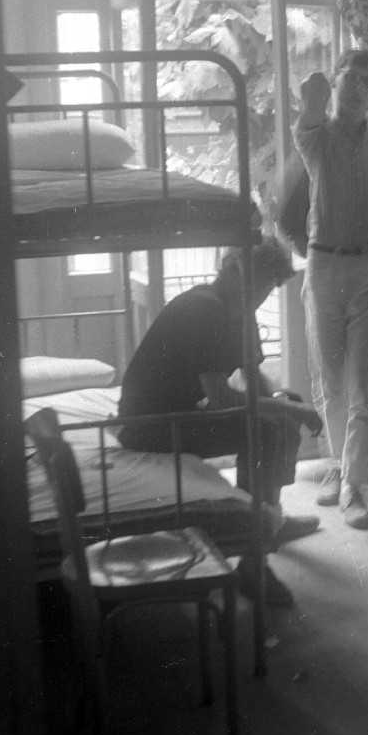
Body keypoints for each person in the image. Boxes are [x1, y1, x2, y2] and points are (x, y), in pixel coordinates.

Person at [117, 235, 323, 607]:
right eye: (257, 282)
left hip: (179, 413)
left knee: (283, 406)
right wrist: (287, 412)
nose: (260, 294)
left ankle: (270, 517)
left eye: (268, 286)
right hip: (150, 425)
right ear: (230, 269)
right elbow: (222, 400)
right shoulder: (205, 308)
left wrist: (285, 406)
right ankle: (253, 560)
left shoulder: (240, 310)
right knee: (264, 427)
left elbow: (254, 377)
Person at [294, 48, 368, 530]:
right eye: (353, 78)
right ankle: (339, 467)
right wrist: (313, 94)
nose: (361, 88)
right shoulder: (314, 137)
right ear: (336, 81)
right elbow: (309, 109)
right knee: (329, 381)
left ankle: (353, 484)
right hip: (324, 265)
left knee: (364, 385)